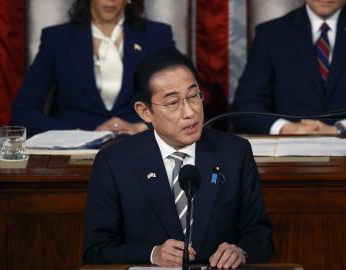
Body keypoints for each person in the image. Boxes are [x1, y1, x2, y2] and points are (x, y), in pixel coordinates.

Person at [83, 49, 274, 267]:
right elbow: (97, 250)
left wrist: (241, 251)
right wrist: (152, 254)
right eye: (173, 103)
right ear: (144, 111)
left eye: (193, 96)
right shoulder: (114, 163)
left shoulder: (234, 153)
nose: (190, 112)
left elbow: (260, 235)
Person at [231, 0, 346, 135]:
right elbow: (245, 107)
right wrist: (286, 128)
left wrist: (340, 130)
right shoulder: (270, 34)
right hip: (289, 157)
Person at [11, 0, 175, 136]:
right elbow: (23, 112)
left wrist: (140, 128)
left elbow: (184, 104)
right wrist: (79, 135)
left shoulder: (158, 36)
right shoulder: (57, 39)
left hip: (140, 149)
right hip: (73, 154)